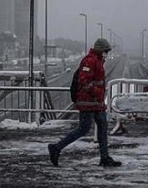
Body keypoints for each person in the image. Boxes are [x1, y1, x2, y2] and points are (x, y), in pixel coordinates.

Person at [48, 38, 122, 167]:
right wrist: (97, 92)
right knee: (83, 128)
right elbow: (84, 82)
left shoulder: (98, 61)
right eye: (106, 51)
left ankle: (104, 157)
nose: (107, 53)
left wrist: (98, 95)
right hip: (88, 102)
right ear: (100, 49)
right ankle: (56, 148)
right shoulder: (90, 60)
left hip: (96, 102)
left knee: (103, 127)